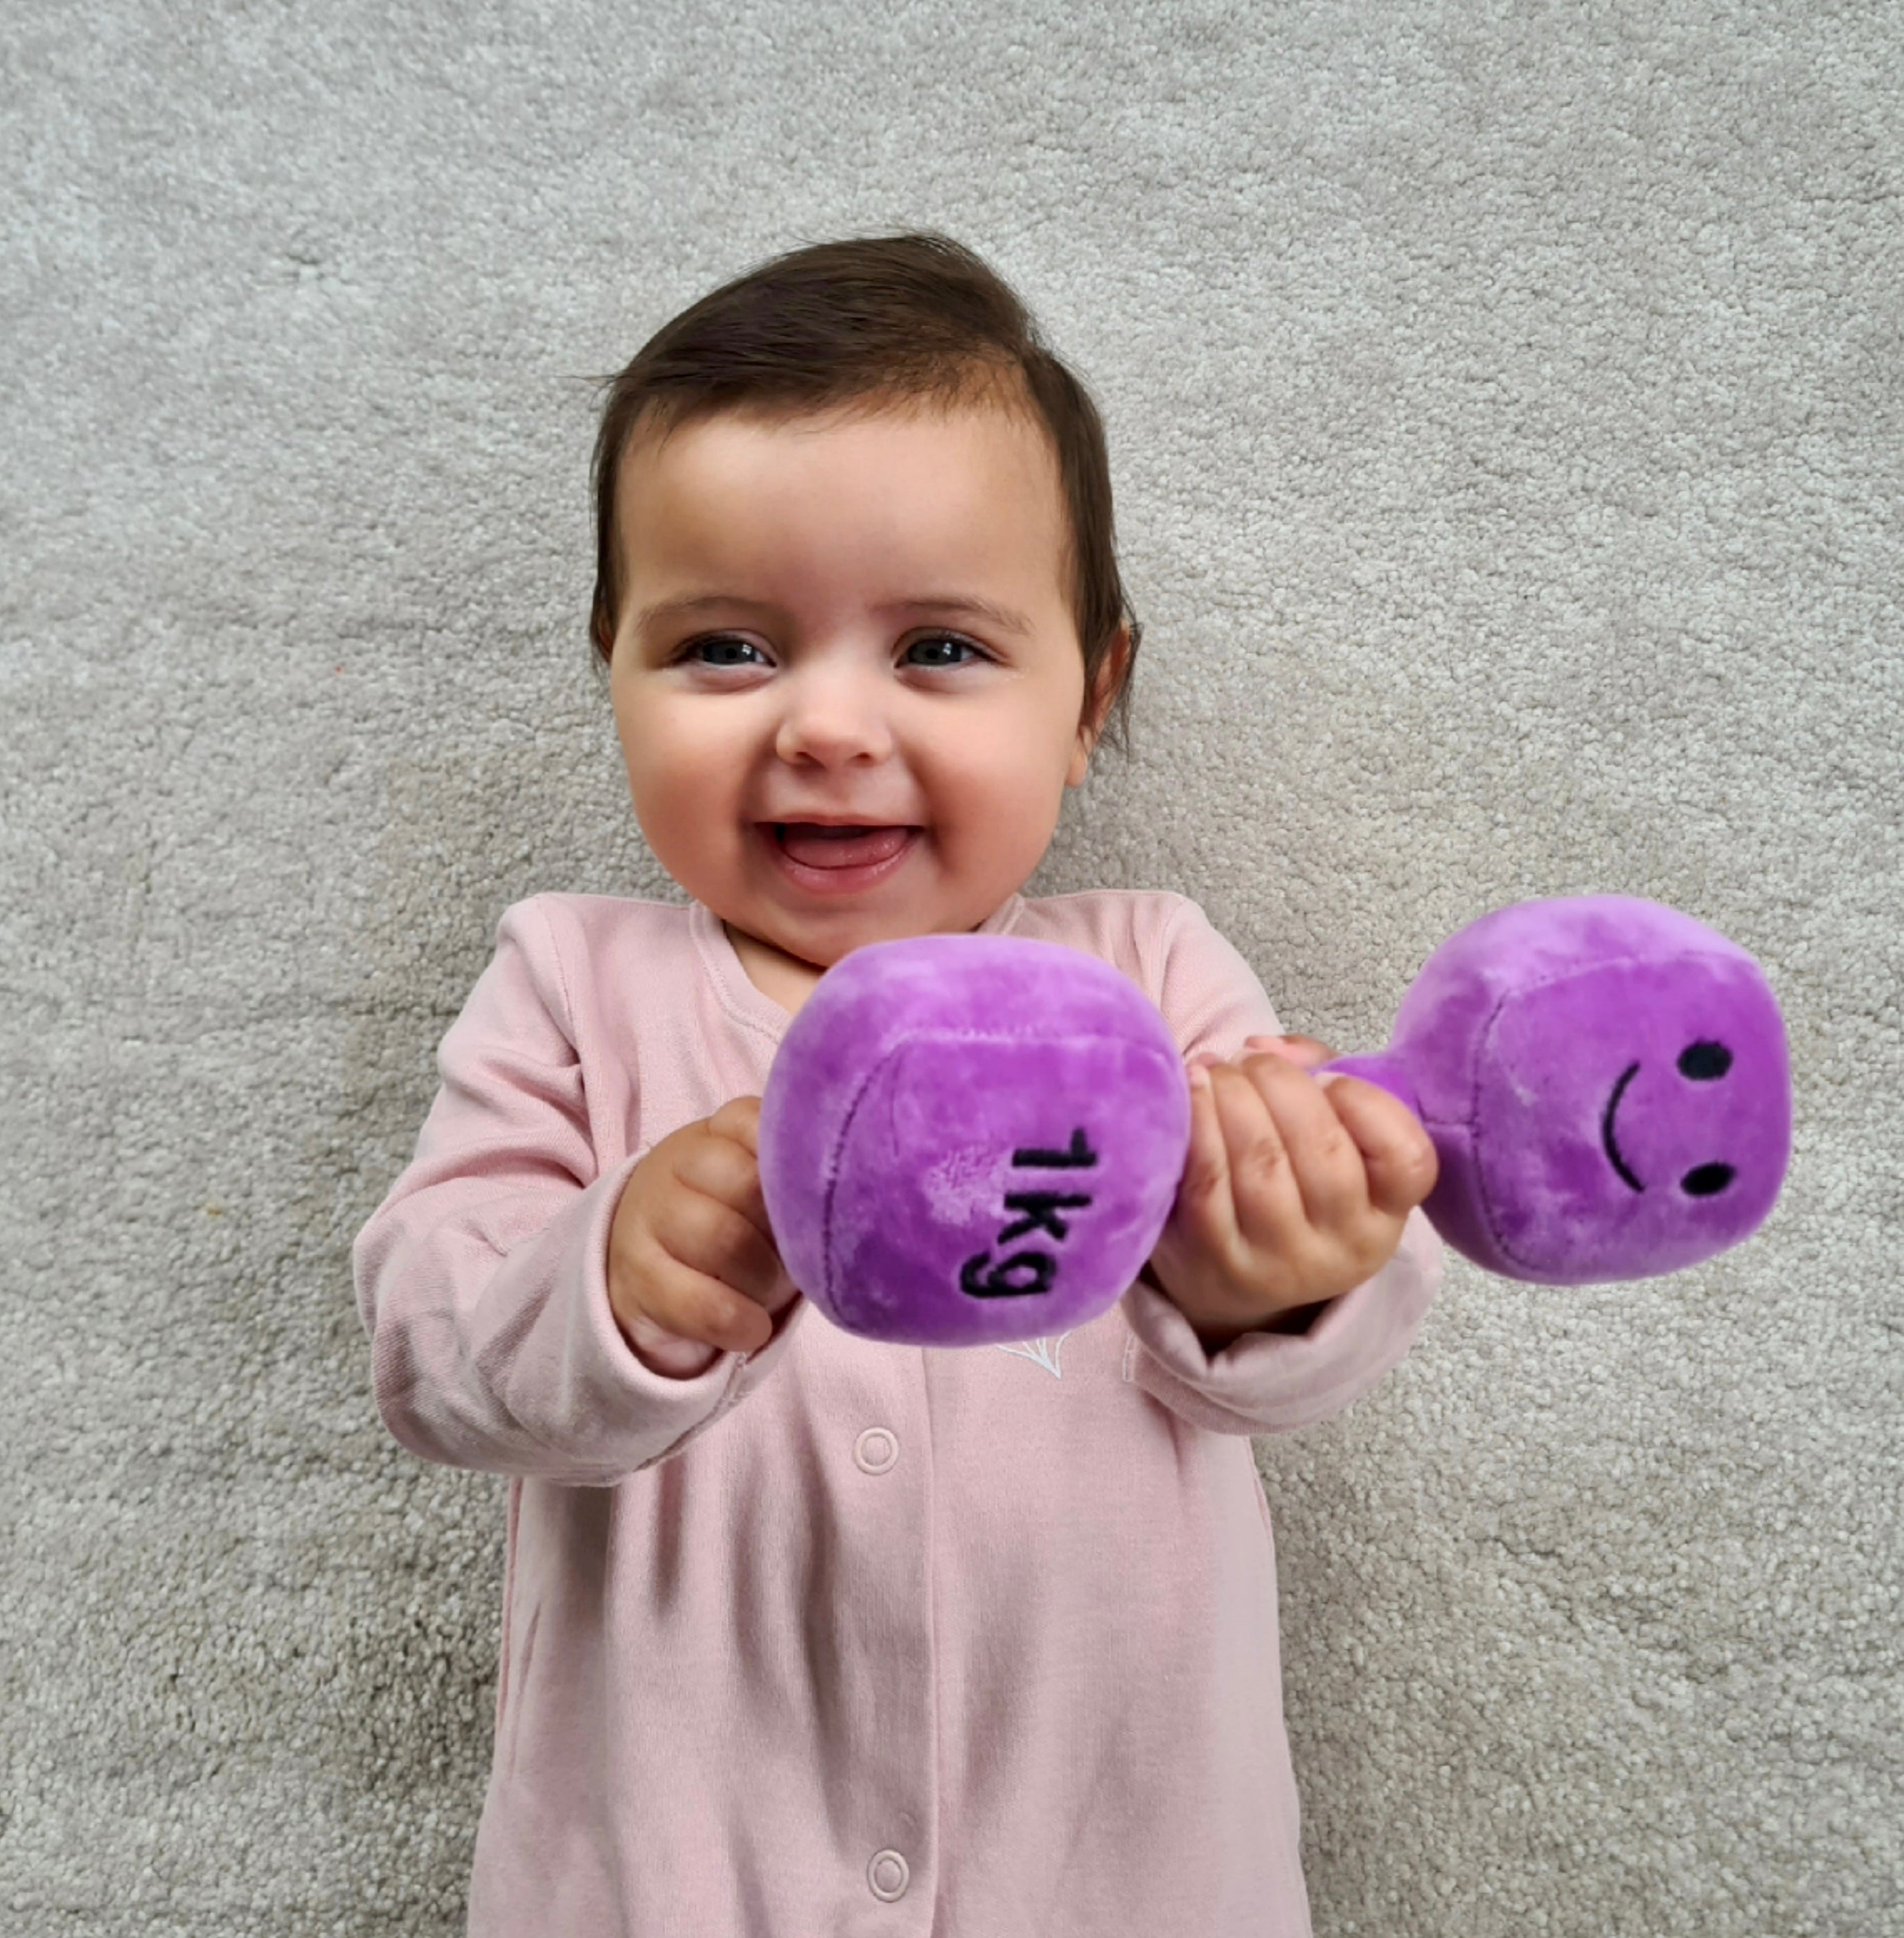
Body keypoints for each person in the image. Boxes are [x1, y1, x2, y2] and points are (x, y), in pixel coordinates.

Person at [353, 229, 1443, 1937]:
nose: (828, 728)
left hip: (1117, 1868)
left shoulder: (1149, 977)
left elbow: (1318, 1302)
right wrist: (616, 1275)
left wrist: (1271, 1268)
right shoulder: (573, 982)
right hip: (668, 1879)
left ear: (1088, 697)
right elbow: (430, 1345)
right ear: (612, 665)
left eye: (937, 648)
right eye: (728, 648)